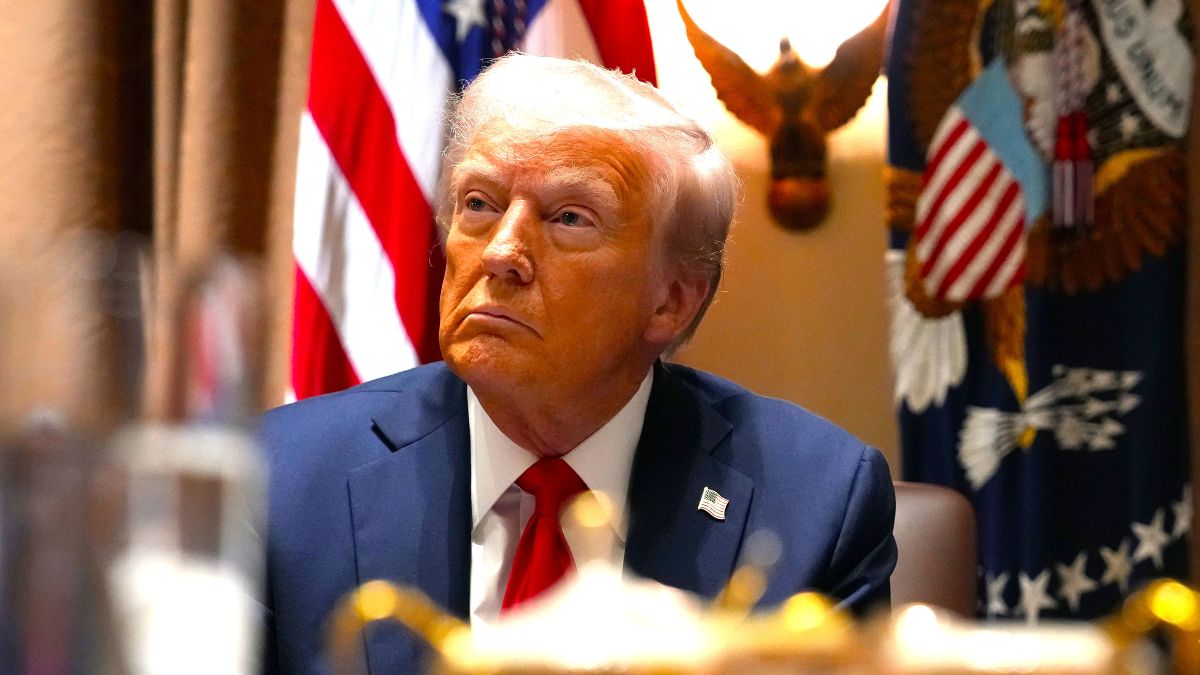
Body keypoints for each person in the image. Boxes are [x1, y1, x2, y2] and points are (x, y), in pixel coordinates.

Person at [261, 53, 896, 673]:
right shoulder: (281, 478)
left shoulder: (816, 504)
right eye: (479, 204)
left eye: (569, 217)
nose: (501, 253)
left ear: (670, 302)